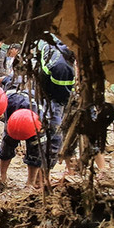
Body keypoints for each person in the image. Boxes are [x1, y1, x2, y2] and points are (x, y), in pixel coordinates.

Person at [37, 39, 78, 172]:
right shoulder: (63, 67)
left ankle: (66, 169)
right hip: (54, 99)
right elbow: (63, 96)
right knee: (56, 136)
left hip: (43, 92)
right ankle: (43, 175)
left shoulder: (51, 46)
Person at [0, 92, 46, 188]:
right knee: (7, 144)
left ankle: (30, 183)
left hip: (35, 124)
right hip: (15, 115)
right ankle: (2, 177)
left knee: (35, 151)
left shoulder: (43, 120)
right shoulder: (9, 102)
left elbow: (36, 155)